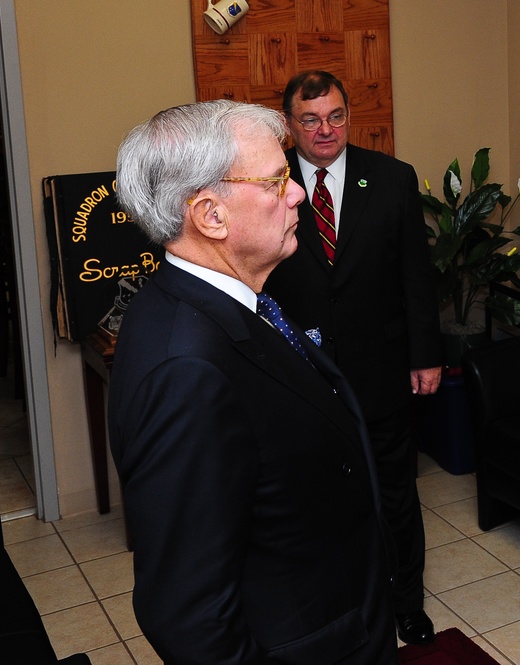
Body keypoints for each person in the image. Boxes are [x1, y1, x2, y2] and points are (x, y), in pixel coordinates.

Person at [109, 100, 398, 664]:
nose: (296, 194)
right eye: (276, 180)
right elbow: (189, 617)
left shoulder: (232, 301)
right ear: (210, 215)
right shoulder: (185, 370)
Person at [264, 70, 443, 645]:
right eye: (310, 119)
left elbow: (416, 275)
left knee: (395, 493)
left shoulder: (391, 178)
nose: (326, 130)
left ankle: (405, 602)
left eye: (336, 116)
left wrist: (426, 355)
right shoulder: (266, 184)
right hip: (300, 376)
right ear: (288, 125)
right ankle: (335, 605)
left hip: (381, 368)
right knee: (315, 498)